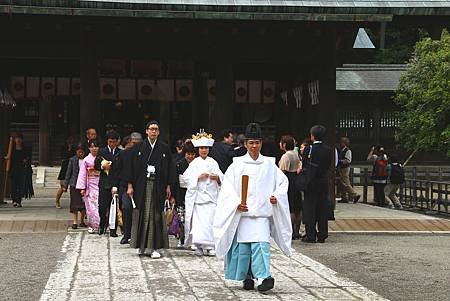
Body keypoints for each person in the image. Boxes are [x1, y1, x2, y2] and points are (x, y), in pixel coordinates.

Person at [213, 123, 291, 293]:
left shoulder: (269, 164)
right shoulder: (237, 165)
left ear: (261, 143)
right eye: (251, 143)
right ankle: (247, 276)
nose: (254, 146)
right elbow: (228, 188)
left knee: (261, 246)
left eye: (257, 142)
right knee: (244, 248)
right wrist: (235, 203)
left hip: (261, 214)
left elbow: (283, 182)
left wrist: (276, 196)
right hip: (243, 213)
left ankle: (264, 277)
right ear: (245, 144)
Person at [125, 121, 176, 258]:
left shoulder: (164, 148)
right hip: (142, 185)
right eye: (151, 129)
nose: (154, 132)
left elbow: (170, 168)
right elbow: (131, 167)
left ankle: (154, 247)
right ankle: (141, 245)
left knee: (156, 216)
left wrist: (169, 185)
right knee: (141, 214)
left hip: (158, 185)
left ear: (158, 132)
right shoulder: (139, 148)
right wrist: (130, 186)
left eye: (156, 129)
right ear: (146, 131)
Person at [183, 131, 223, 256]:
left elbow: (222, 176)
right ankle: (199, 245)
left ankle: (210, 245)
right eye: (201, 148)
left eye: (206, 148)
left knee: (210, 222)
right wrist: (198, 177)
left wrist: (218, 178)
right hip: (199, 197)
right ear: (198, 149)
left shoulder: (213, 162)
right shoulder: (194, 163)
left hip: (211, 197)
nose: (204, 150)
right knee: (199, 224)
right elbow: (186, 178)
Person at [301, 125, 333, 244]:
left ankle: (311, 235)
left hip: (310, 182)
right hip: (323, 181)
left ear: (312, 136)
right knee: (322, 207)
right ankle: (323, 234)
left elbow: (304, 165)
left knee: (310, 208)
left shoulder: (309, 149)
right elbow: (328, 165)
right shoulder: (328, 149)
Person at [113, 132, 143, 244]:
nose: (135, 145)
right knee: (126, 207)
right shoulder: (123, 154)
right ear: (130, 142)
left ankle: (139, 234)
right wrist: (114, 186)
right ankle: (127, 233)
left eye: (137, 143)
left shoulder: (144, 153)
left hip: (140, 185)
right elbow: (116, 171)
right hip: (125, 185)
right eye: (133, 143)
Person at [95, 130, 122, 236]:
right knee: (102, 206)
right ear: (107, 141)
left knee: (114, 207)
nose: (112, 144)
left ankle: (113, 229)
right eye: (110, 141)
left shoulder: (120, 152)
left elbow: (121, 169)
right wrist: (103, 166)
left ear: (117, 142)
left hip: (115, 182)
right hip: (104, 182)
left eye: (114, 142)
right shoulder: (102, 151)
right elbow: (96, 164)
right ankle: (102, 224)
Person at [278, 135, 302, 240]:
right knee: (298, 206)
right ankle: (297, 230)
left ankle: (291, 230)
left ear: (284, 144)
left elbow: (282, 171)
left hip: (289, 179)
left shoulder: (285, 156)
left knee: (291, 206)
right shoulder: (297, 155)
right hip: (297, 179)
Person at [174, 141, 196, 247]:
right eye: (188, 154)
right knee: (182, 218)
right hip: (181, 193)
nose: (190, 156)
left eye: (192, 154)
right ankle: (181, 238)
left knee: (193, 218)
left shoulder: (198, 165)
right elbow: (175, 182)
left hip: (194, 194)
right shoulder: (179, 164)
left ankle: (193, 240)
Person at [76, 140, 100, 234]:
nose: (94, 148)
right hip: (90, 184)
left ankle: (100, 225)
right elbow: (82, 174)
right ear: (89, 148)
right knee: (90, 207)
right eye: (92, 147)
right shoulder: (86, 160)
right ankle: (92, 225)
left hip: (100, 183)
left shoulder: (101, 158)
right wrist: (82, 187)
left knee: (99, 205)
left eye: (96, 146)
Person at [8, 133, 33, 207]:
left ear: (22, 140)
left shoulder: (25, 149)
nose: (18, 140)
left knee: (20, 185)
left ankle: (19, 200)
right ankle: (14, 200)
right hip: (13, 169)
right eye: (16, 138)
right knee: (13, 185)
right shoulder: (11, 149)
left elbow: (28, 158)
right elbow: (9, 157)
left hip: (22, 169)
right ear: (14, 140)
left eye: (19, 138)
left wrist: (26, 160)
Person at [64, 144, 86, 229]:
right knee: (74, 204)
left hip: (84, 185)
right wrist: (65, 185)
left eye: (82, 152)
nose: (80, 153)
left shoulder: (86, 160)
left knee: (84, 204)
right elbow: (69, 173)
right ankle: (75, 221)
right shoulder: (72, 160)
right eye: (79, 152)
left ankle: (82, 220)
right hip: (74, 184)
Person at [336, 137, 360, 203]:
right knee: (341, 183)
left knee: (345, 182)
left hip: (345, 168)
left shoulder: (347, 151)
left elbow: (348, 160)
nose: (340, 144)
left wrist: (339, 161)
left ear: (344, 143)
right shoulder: (341, 150)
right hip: (341, 168)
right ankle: (344, 197)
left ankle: (355, 194)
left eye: (341, 142)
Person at [56, 136, 76, 209]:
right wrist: (69, 149)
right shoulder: (63, 148)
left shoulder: (75, 148)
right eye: (69, 140)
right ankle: (57, 201)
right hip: (65, 168)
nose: (70, 141)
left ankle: (74, 203)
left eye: (71, 140)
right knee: (63, 188)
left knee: (73, 188)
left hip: (72, 169)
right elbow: (63, 157)